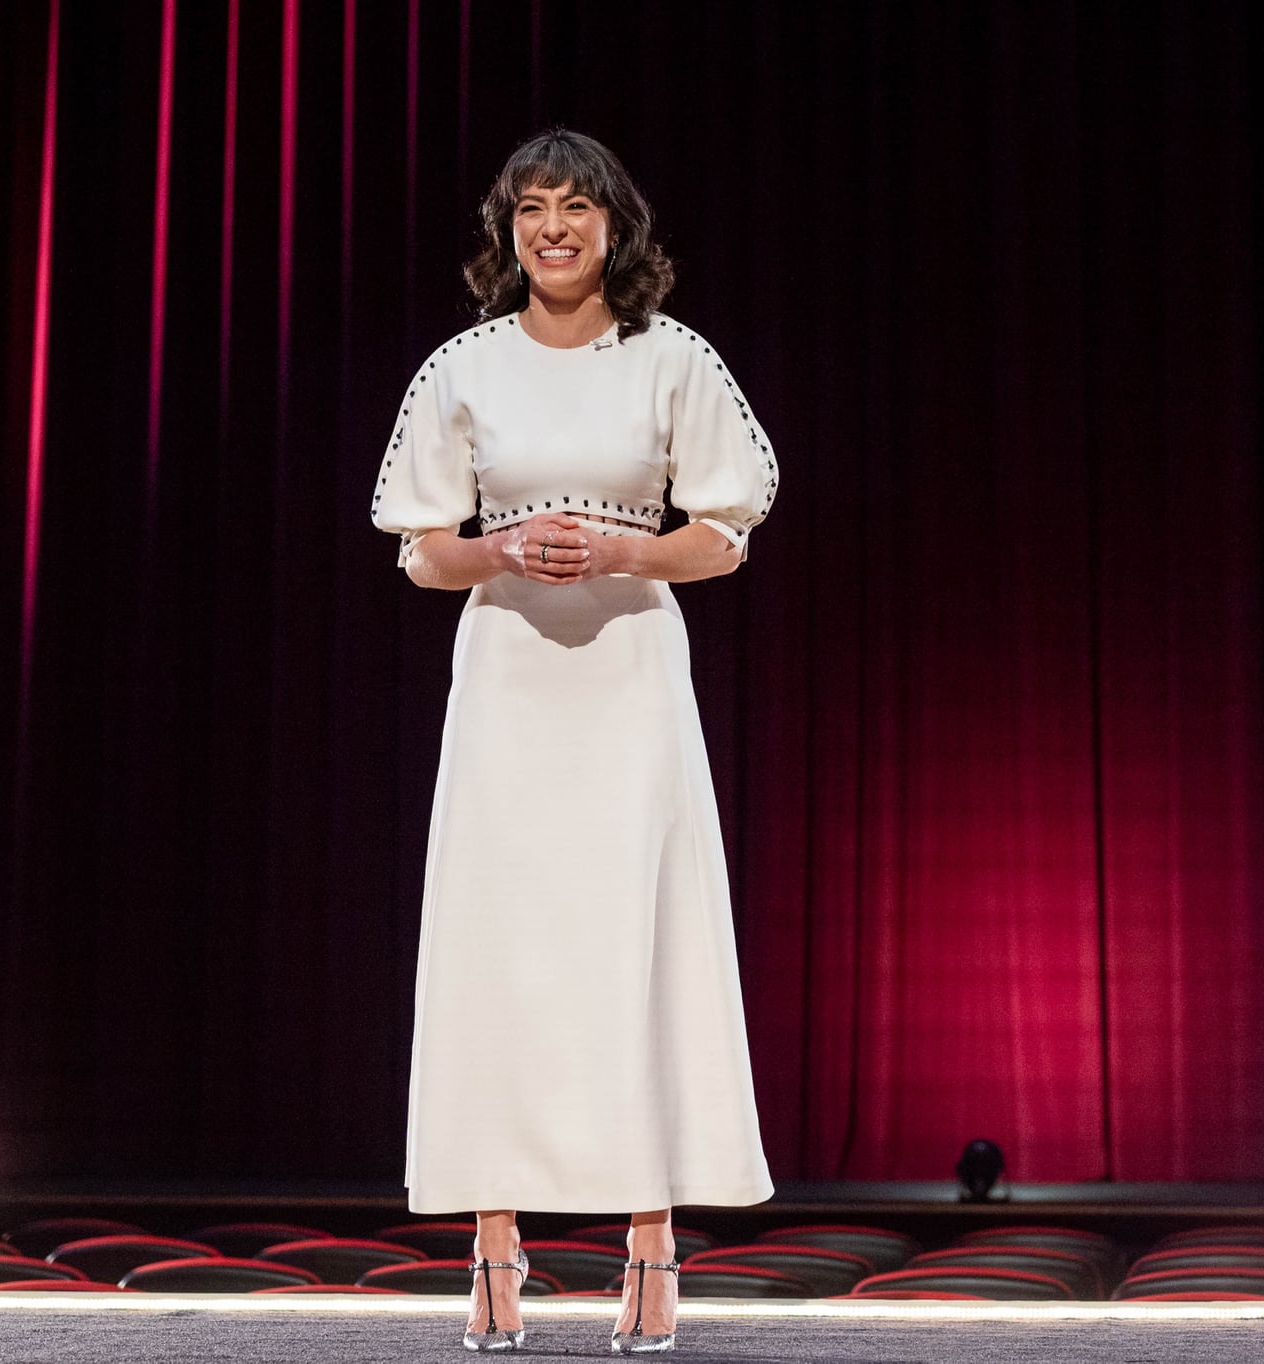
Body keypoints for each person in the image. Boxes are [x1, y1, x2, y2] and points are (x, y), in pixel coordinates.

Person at [370, 127, 778, 1355]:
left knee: (634, 939)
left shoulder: (669, 358)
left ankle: (650, 1243)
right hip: (505, 677)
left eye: (575, 209)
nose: (552, 228)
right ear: (506, 229)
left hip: (629, 672)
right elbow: (420, 544)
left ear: (614, 227)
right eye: (530, 208)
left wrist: (625, 549)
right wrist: (497, 550)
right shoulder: (463, 366)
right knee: (501, 948)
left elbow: (726, 526)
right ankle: (494, 1245)